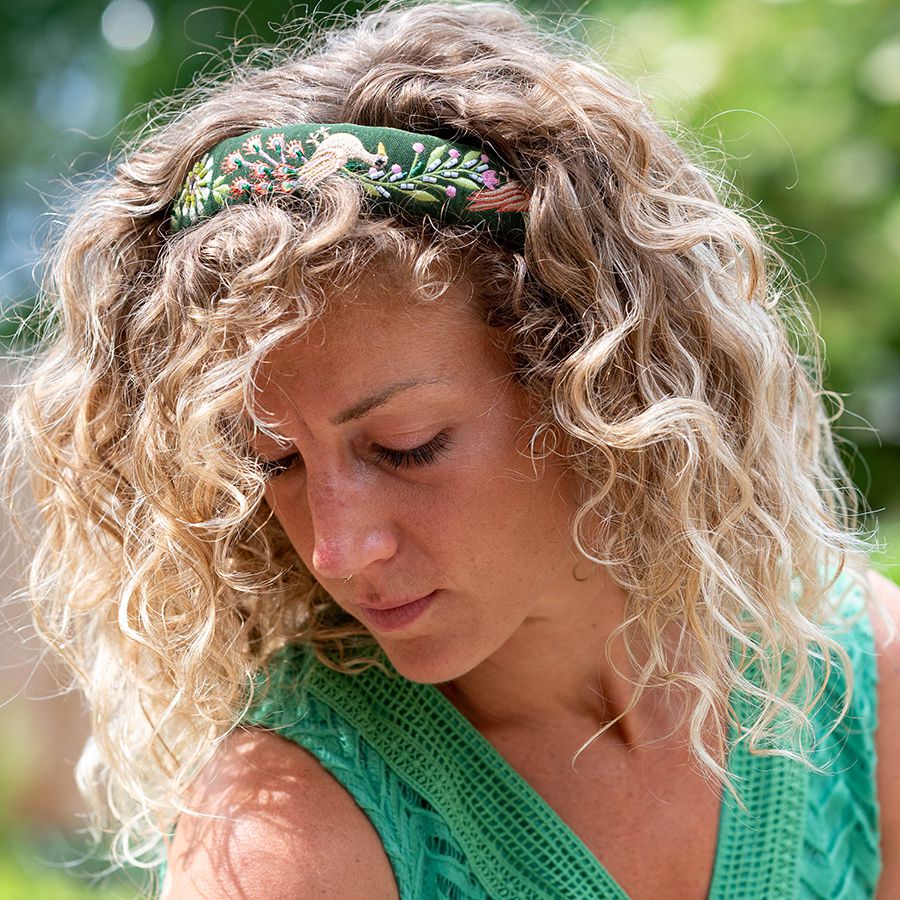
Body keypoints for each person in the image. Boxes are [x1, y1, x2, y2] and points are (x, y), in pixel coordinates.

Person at [3, 1, 900, 897]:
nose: (337, 548)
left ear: (594, 380)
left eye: (406, 446)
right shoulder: (283, 840)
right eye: (274, 463)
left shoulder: (857, 676)